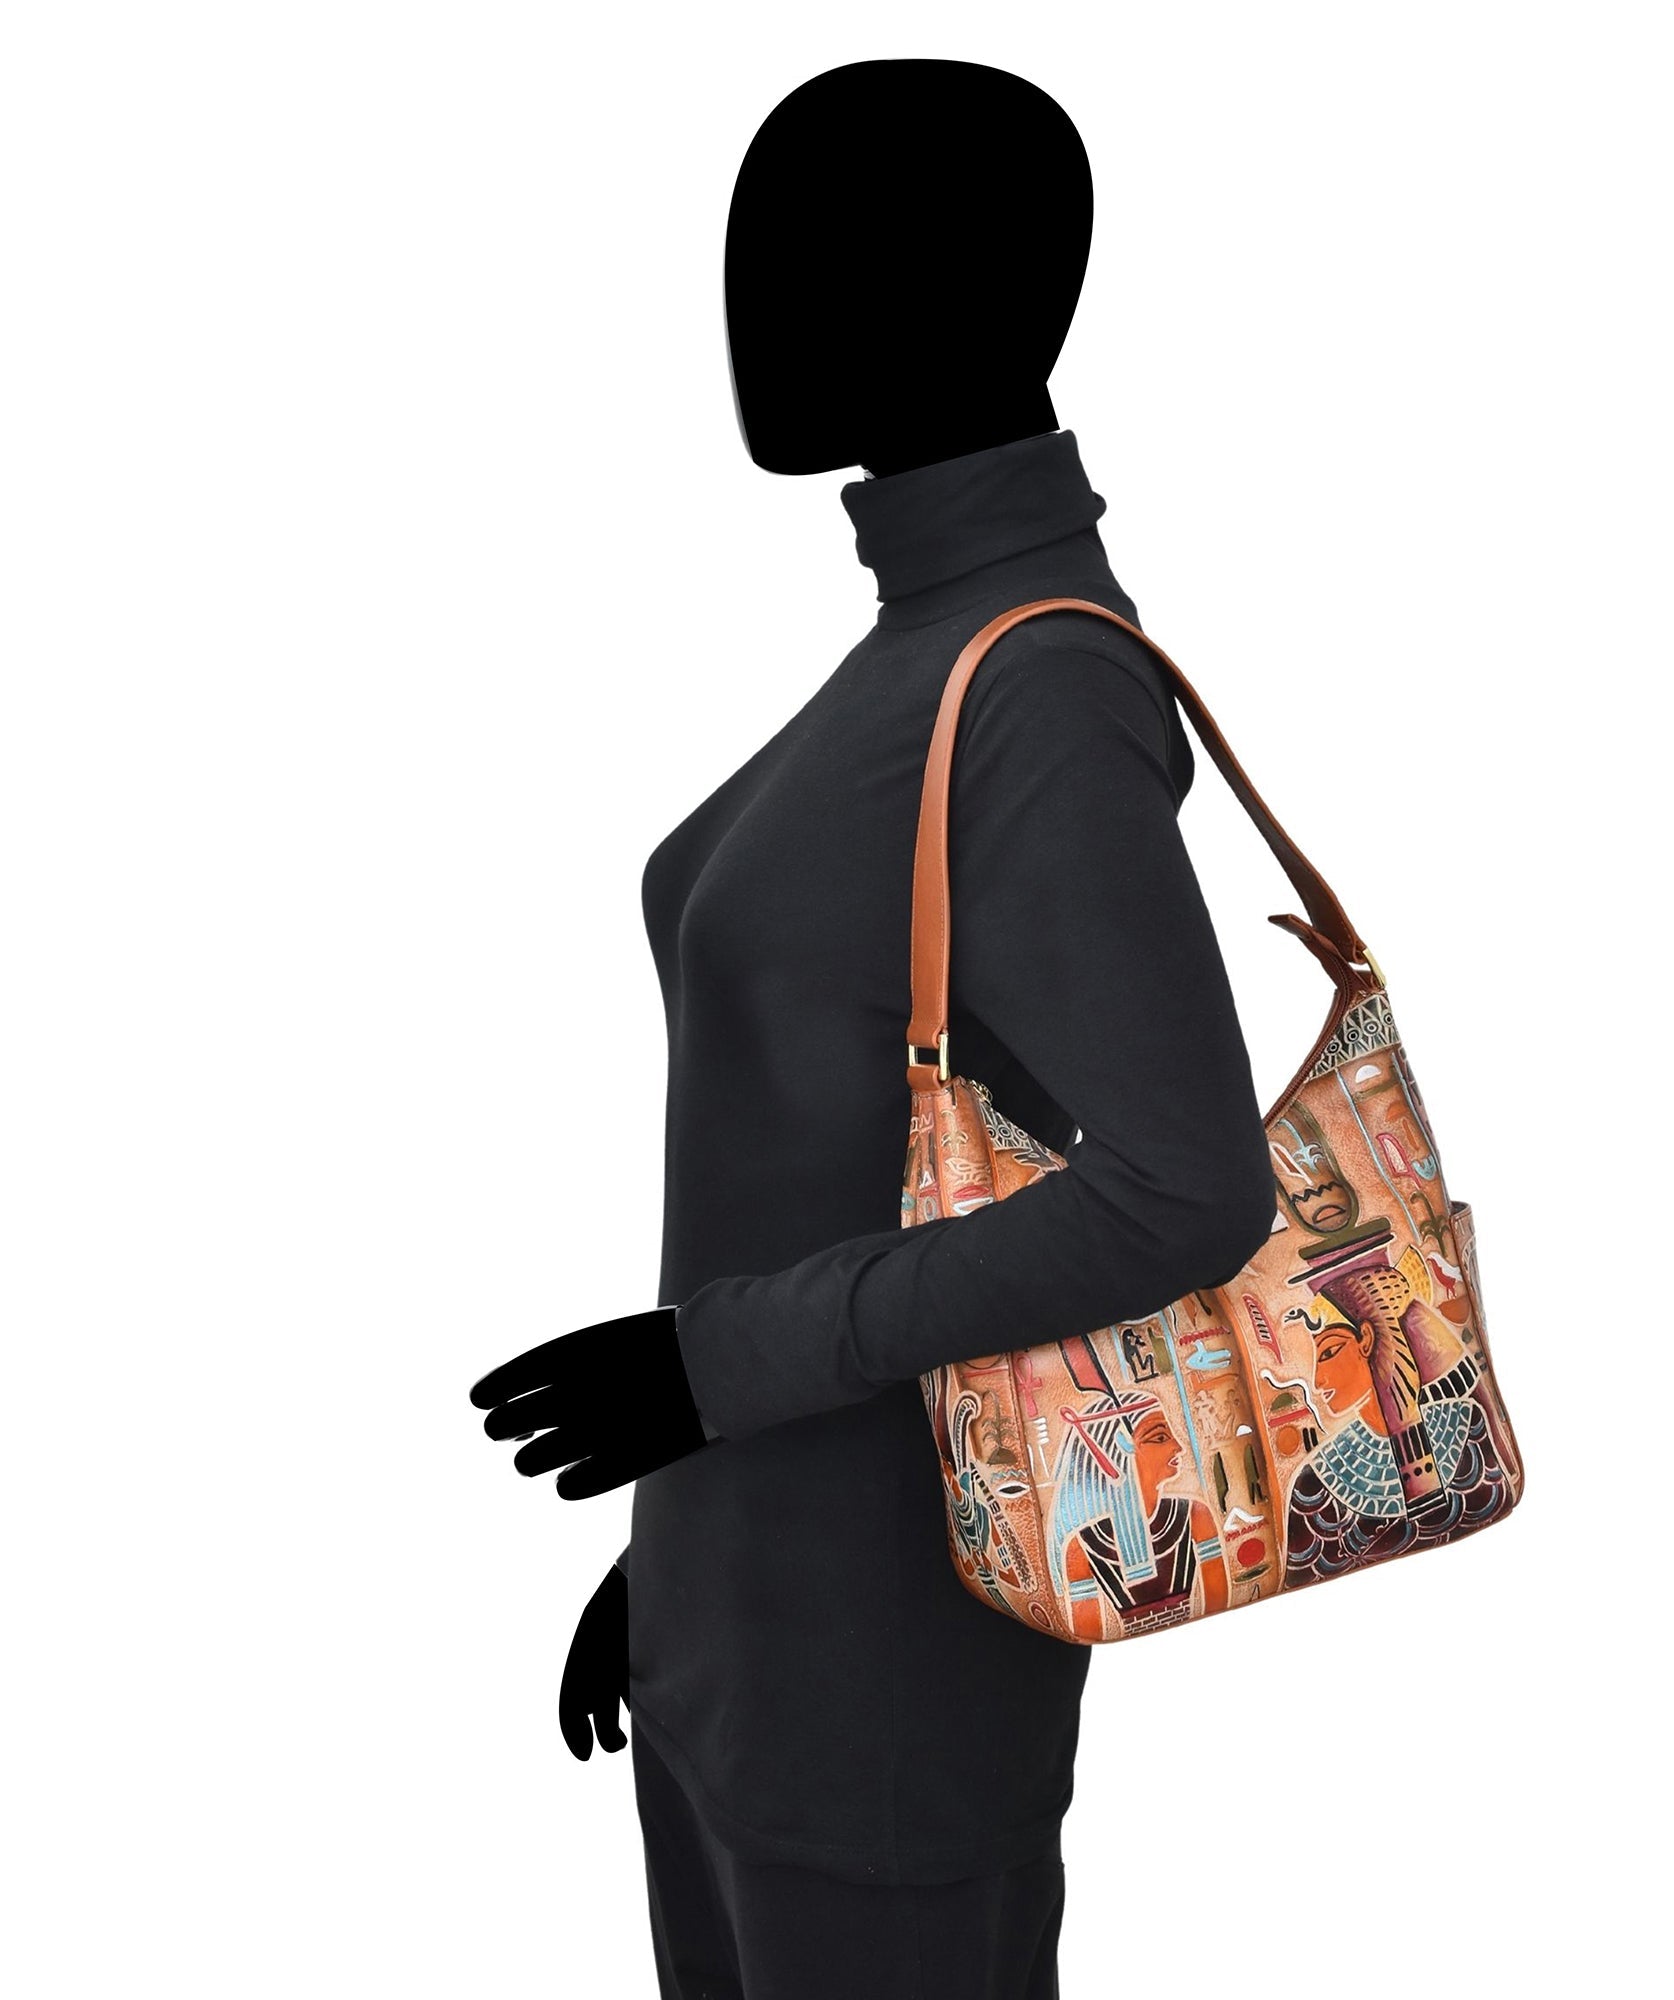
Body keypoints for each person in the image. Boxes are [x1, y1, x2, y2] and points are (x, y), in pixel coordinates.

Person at [469, 58, 1272, 1998]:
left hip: (889, 1695)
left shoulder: (1036, 690)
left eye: (811, 245)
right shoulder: (923, 650)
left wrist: (713, 1371)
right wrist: (683, 1550)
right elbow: (820, 1148)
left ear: (968, 289)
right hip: (739, 1649)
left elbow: (1187, 1189)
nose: (746, 294)